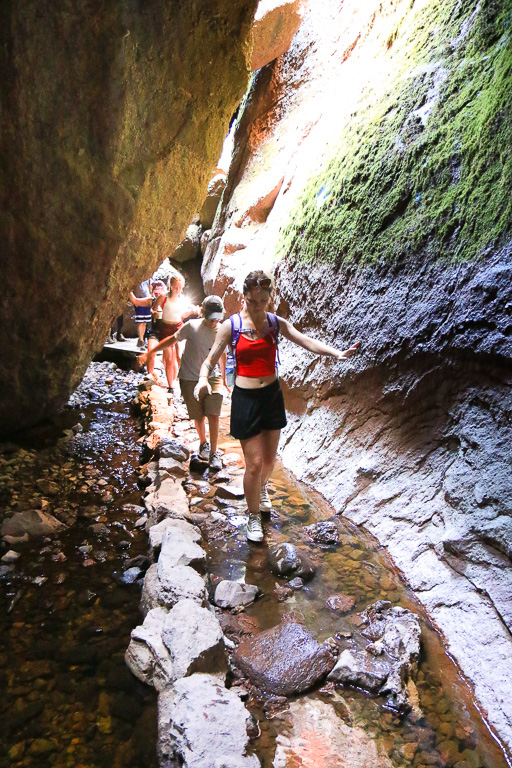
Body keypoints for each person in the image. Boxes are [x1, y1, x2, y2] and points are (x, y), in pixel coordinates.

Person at [195, 270, 361, 543]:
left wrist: (336, 352)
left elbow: (305, 340)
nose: (257, 306)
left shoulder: (275, 323)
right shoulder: (231, 325)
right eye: (252, 301)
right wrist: (203, 379)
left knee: (270, 461)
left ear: (269, 298)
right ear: (244, 297)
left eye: (262, 301)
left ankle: (261, 490)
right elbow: (210, 359)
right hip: (245, 399)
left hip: (271, 396)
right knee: (255, 463)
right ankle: (253, 517)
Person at [138, 295, 230, 470]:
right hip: (189, 377)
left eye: (217, 317)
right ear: (203, 313)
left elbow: (222, 354)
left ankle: (213, 453)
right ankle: (203, 443)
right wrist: (151, 352)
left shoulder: (222, 331)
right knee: (198, 415)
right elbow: (172, 340)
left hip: (212, 377)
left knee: (214, 414)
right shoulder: (191, 326)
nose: (214, 321)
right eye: (211, 317)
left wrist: (224, 380)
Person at [130, 280, 168, 384]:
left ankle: (171, 379)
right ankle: (150, 376)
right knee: (151, 353)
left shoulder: (169, 300)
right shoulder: (151, 301)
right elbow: (135, 301)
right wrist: (127, 288)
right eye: (156, 293)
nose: (158, 294)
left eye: (160, 292)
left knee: (171, 355)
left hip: (167, 331)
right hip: (154, 332)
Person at [132, 279, 153, 348]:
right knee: (140, 321)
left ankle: (142, 338)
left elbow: (150, 286)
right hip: (139, 300)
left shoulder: (148, 278)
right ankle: (140, 339)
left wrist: (151, 295)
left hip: (147, 300)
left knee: (145, 322)